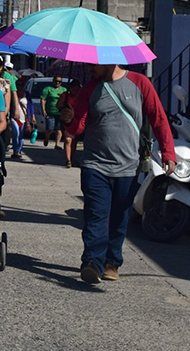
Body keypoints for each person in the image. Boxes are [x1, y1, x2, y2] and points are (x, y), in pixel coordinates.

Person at [63, 64, 176, 285]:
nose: (89, 69)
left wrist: (168, 152)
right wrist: (68, 120)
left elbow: (158, 118)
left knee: (119, 217)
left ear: (109, 59)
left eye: (93, 64)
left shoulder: (140, 83)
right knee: (96, 215)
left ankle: (112, 262)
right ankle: (92, 263)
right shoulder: (89, 89)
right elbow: (77, 128)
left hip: (128, 166)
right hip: (95, 165)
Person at [60, 79, 83, 169]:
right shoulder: (65, 96)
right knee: (68, 140)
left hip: (77, 120)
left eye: (77, 90)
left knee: (74, 141)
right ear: (70, 88)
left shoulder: (81, 96)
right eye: (74, 89)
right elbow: (58, 106)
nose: (75, 91)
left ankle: (72, 157)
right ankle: (68, 160)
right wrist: (65, 106)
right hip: (67, 120)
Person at [39, 76, 67, 147]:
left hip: (60, 112)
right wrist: (43, 110)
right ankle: (47, 137)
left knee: (59, 129)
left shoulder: (64, 90)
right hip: (50, 112)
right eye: (56, 81)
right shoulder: (48, 89)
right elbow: (43, 99)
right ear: (53, 81)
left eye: (59, 81)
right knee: (50, 128)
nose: (57, 83)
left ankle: (57, 144)